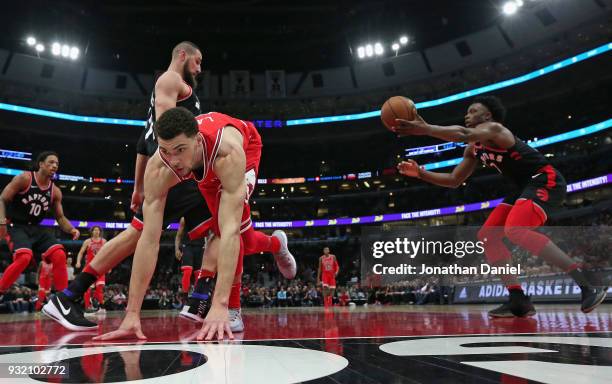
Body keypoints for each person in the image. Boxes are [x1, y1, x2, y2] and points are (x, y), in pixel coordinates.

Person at [42, 41, 209, 331]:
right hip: (176, 172)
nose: (199, 67)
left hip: (163, 170)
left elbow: (143, 143)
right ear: (182, 55)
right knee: (216, 224)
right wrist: (174, 167)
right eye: (197, 61)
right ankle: (201, 300)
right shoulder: (172, 80)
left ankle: (70, 295)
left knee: (136, 235)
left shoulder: (162, 89)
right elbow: (165, 129)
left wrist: (138, 186)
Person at [393, 95, 607, 317]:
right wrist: (420, 173)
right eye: (467, 112)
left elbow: (463, 133)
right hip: (522, 188)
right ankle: (518, 299)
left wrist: (426, 128)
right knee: (487, 235)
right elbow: (455, 180)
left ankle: (587, 283)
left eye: (473, 110)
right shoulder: (472, 148)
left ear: (487, 115)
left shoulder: (496, 130)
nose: (467, 115)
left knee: (515, 230)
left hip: (544, 178)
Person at [92, 108, 293, 342]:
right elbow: (149, 239)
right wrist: (132, 313)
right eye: (165, 150)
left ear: (197, 141)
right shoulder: (159, 166)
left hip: (246, 147)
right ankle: (276, 243)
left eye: (180, 150)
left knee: (229, 228)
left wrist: (219, 304)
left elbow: (229, 232)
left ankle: (233, 308)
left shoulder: (227, 154)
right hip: (205, 163)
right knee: (244, 239)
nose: (173, 160)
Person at [0, 151, 79, 297]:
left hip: (36, 228)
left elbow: (60, 218)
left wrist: (72, 229)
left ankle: (63, 300)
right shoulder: (24, 178)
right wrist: (1, 222)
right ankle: (1, 290)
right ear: (41, 164)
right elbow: (2, 199)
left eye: (57, 163)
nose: (55, 165)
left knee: (60, 255)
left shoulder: (55, 191)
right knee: (24, 257)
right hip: (16, 226)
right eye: (51, 162)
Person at [75, 226, 107, 312]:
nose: (96, 232)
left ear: (100, 232)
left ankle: (101, 307)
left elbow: (108, 254)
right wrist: (78, 262)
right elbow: (81, 252)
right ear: (92, 232)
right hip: (90, 267)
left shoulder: (104, 241)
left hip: (101, 267)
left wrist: (109, 265)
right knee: (88, 288)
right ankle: (87, 307)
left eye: (98, 230)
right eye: (95, 230)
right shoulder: (88, 241)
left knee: (99, 287)